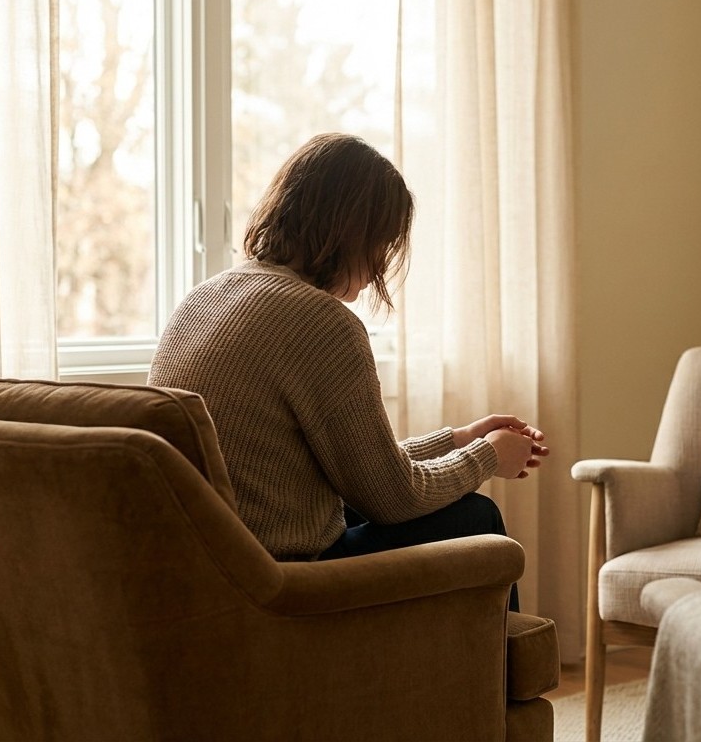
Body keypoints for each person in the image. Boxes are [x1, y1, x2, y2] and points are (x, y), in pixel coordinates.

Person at [148, 132, 546, 611]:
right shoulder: (320, 322)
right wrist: (487, 459)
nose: (382, 261)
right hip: (284, 580)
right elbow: (392, 498)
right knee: (475, 516)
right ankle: (503, 685)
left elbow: (356, 470)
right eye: (382, 243)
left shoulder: (204, 297)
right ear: (354, 235)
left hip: (213, 570)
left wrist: (458, 439)